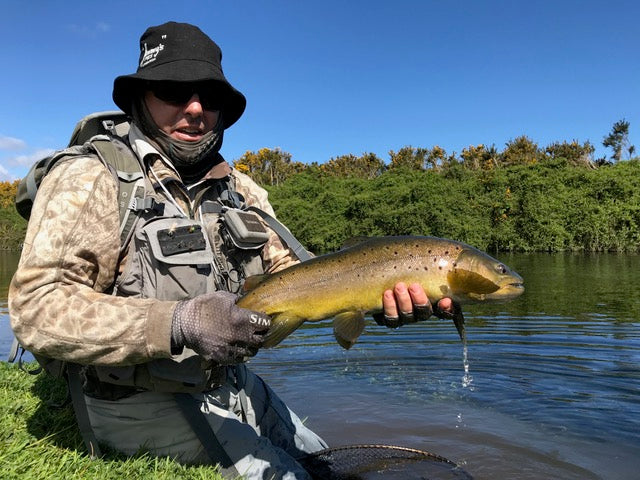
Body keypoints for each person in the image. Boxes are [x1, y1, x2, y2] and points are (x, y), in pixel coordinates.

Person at [9, 21, 454, 479]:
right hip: (134, 399)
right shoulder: (90, 178)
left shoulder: (240, 190)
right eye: (172, 90)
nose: (196, 108)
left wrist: (374, 296)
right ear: (141, 98)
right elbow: (37, 308)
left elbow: (295, 275)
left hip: (227, 382)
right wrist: (179, 322)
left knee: (321, 456)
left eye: (210, 96)